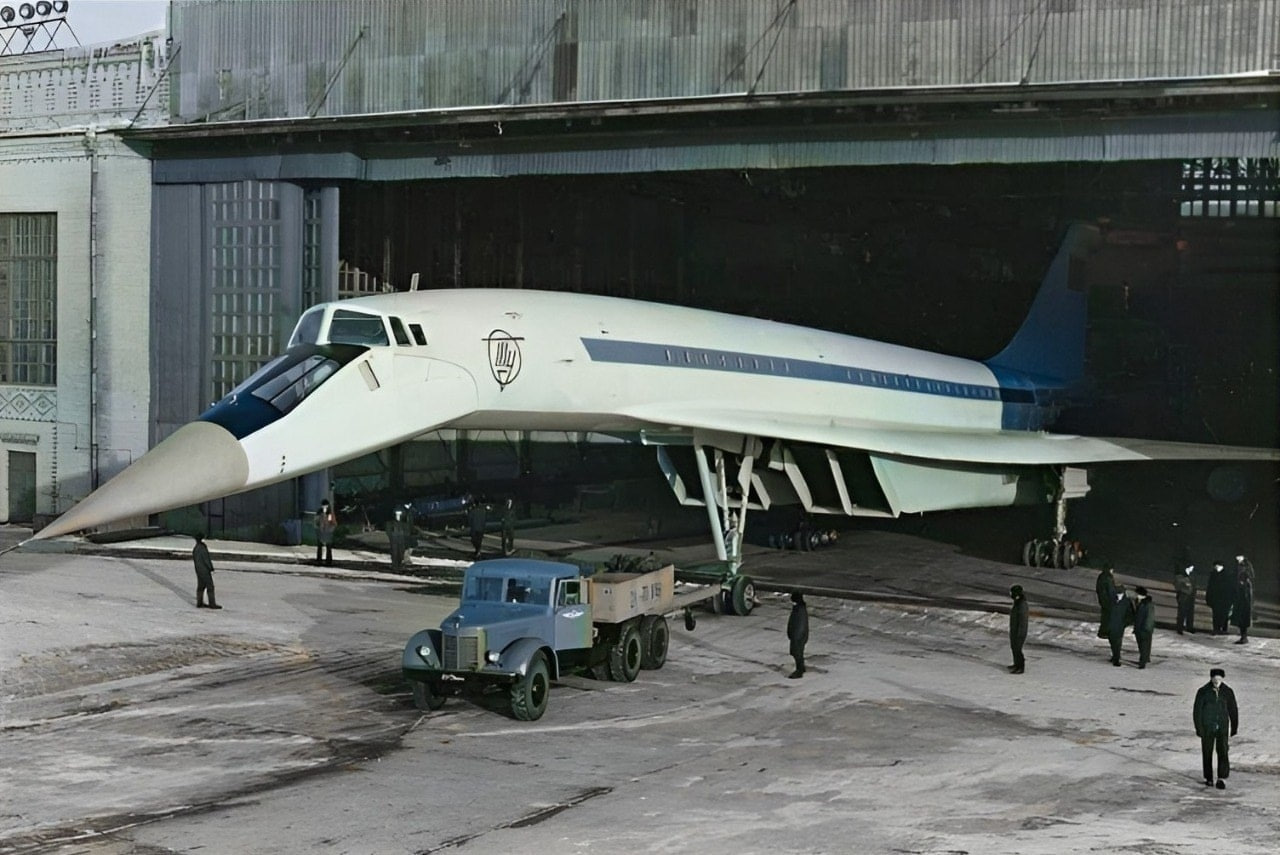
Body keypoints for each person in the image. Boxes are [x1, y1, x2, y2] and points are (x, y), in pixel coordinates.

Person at [1193, 667, 1238, 789]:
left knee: (1223, 751)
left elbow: (1233, 709)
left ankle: (1221, 778)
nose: (1217, 681)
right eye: (1215, 678)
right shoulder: (1203, 691)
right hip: (1207, 727)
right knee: (1207, 752)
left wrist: (1234, 726)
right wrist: (1199, 728)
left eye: (1219, 678)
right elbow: (1197, 711)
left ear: (1222, 679)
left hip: (1222, 727)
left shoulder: (1227, 691)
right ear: (1211, 678)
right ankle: (1208, 777)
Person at [1204, 560, 1235, 635]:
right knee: (1216, 615)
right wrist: (1209, 598)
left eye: (1217, 566)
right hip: (1216, 599)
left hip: (1225, 599)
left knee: (1224, 615)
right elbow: (1210, 587)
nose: (1216, 567)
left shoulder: (1227, 575)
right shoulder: (1213, 575)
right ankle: (1216, 629)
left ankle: (1223, 629)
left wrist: (1231, 599)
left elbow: (1231, 588)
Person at [192, 533, 222, 610]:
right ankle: (212, 603)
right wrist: (211, 567)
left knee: (201, 586)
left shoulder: (195, 548)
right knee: (210, 586)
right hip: (205, 570)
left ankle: (199, 602)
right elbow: (206, 559)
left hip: (198, 569)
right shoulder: (203, 548)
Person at [1106, 586, 1131, 666]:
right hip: (1111, 624)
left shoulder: (1127, 602)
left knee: (1117, 642)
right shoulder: (1112, 599)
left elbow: (1130, 614)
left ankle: (1116, 659)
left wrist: (1124, 623)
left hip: (1119, 625)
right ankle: (1115, 656)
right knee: (1112, 641)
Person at [786, 592, 808, 679]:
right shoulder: (798, 608)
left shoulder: (799, 610)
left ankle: (799, 670)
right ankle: (801, 667)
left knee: (797, 652)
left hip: (798, 636)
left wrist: (796, 636)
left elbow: (800, 624)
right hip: (797, 635)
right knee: (797, 652)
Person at [1132, 585, 1155, 668]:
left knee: (1144, 646)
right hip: (1139, 628)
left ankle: (1142, 662)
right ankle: (1145, 659)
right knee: (1142, 645)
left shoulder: (1147, 604)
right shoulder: (1139, 602)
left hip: (1144, 628)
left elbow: (1149, 617)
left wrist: (1146, 628)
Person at [1008, 585, 1028, 674]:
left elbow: (1023, 620)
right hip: (1014, 629)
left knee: (1018, 649)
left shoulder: (1022, 604)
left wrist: (1020, 632)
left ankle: (1020, 667)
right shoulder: (1017, 602)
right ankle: (1016, 664)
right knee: (1014, 647)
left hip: (1019, 631)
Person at [1231, 569, 1253, 645]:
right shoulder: (1246, 584)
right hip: (1243, 606)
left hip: (1243, 607)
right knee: (1242, 623)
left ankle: (1244, 637)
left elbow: (1245, 596)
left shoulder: (1246, 585)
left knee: (1243, 623)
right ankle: (1243, 637)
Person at [1095, 566, 1116, 639]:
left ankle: (1103, 631)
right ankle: (1105, 632)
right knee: (1108, 616)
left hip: (1102, 599)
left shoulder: (1101, 576)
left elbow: (1097, 588)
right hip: (1107, 600)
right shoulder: (1108, 578)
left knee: (1104, 615)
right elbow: (1111, 590)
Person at [1174, 564, 1196, 634]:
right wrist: (1186, 590)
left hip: (1190, 596)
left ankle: (1189, 627)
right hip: (1183, 596)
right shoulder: (1180, 576)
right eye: (1191, 567)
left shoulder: (1191, 576)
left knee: (1190, 613)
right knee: (1181, 612)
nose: (1192, 569)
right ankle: (1179, 628)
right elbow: (1178, 586)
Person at [315, 499, 337, 566]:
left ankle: (328, 561)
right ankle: (319, 560)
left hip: (328, 532)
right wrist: (318, 528)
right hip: (321, 531)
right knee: (320, 546)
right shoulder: (319, 513)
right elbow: (316, 521)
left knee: (328, 546)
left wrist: (330, 530)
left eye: (326, 505)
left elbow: (332, 522)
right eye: (323, 505)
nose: (324, 507)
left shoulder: (329, 513)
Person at [386, 507, 408, 572]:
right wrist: (391, 536)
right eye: (397, 513)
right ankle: (395, 566)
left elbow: (406, 531)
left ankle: (399, 565)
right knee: (394, 552)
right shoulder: (391, 523)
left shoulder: (403, 523)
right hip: (394, 539)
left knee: (401, 552)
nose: (398, 515)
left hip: (401, 540)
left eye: (399, 513)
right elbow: (388, 531)